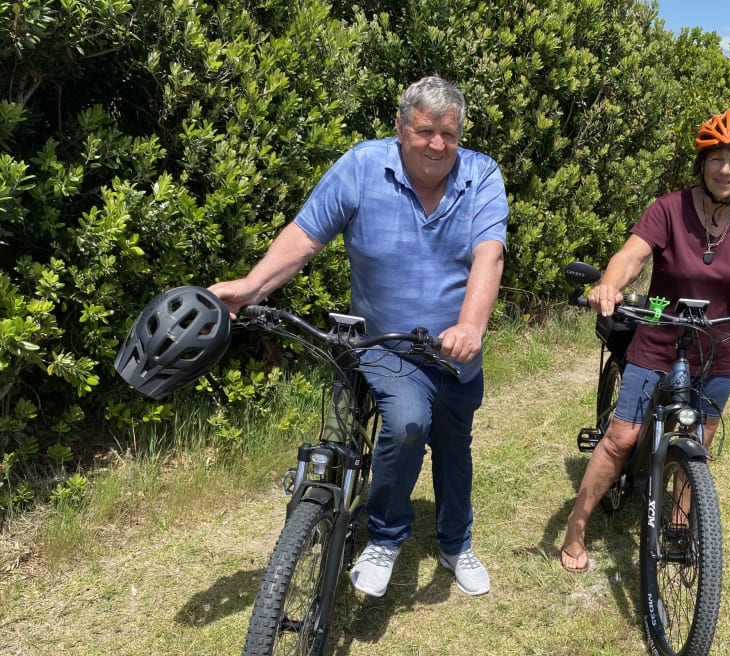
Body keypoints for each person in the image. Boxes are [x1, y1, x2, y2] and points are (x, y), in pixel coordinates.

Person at [209, 76, 509, 596]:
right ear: (400, 128)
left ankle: (456, 543)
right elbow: (306, 236)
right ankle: (386, 538)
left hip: (456, 349)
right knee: (409, 421)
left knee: (455, 447)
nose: (437, 144)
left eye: (448, 133)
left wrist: (471, 325)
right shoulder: (362, 166)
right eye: (424, 131)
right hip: (385, 343)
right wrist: (252, 286)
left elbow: (490, 253)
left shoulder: (481, 174)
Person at [559, 109, 730, 573]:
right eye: (716, 158)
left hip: (720, 347)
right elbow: (631, 256)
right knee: (622, 438)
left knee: (696, 442)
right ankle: (576, 529)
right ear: (701, 163)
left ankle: (678, 525)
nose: (726, 169)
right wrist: (609, 284)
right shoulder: (669, 208)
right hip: (659, 338)